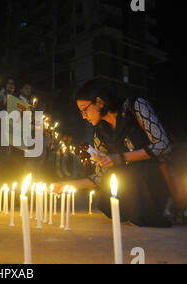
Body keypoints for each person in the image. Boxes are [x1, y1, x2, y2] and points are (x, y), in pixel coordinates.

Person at [54, 79, 173, 228]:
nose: (83, 116)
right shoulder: (101, 134)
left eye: (84, 109)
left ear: (99, 101)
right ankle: (134, 211)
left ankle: (165, 208)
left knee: (127, 173)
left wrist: (121, 158)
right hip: (130, 184)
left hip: (154, 175)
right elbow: (100, 175)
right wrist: (66, 185)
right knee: (110, 181)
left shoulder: (135, 107)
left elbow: (164, 145)